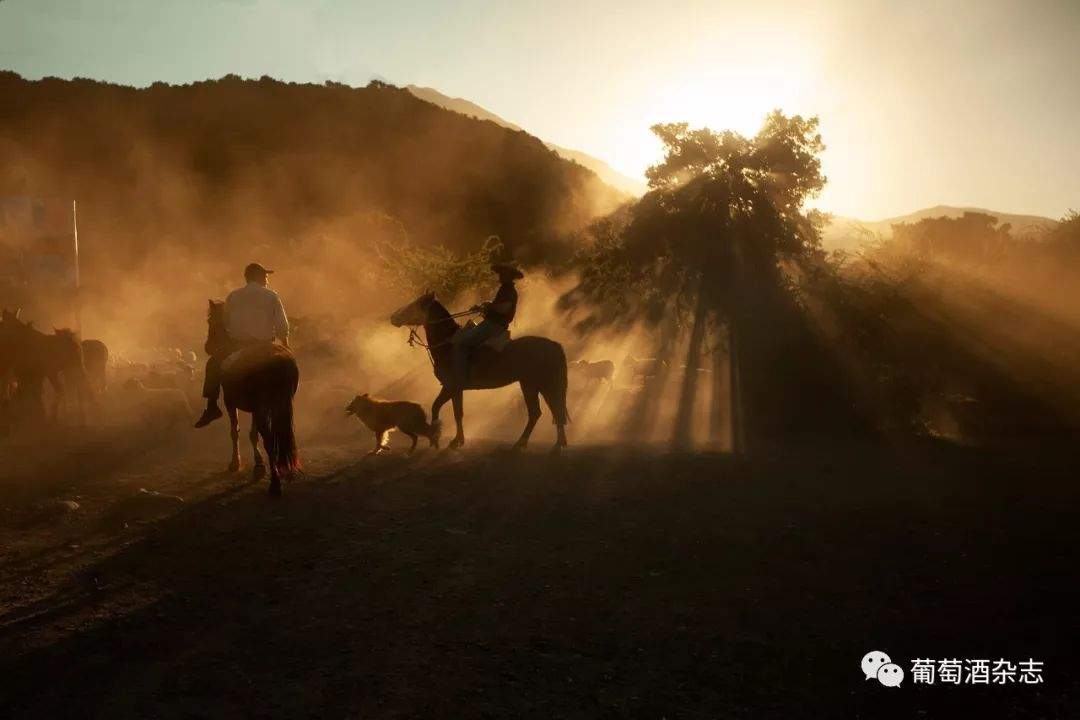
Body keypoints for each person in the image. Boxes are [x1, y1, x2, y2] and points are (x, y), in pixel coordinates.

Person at [194, 262, 289, 428]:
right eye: (265, 276)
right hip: (265, 345)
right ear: (259, 277)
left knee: (213, 364)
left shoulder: (233, 296)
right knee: (288, 366)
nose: (267, 279)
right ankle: (287, 398)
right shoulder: (272, 296)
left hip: (239, 345)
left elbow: (227, 323)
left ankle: (212, 406)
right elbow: (282, 325)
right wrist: (286, 344)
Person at [451, 263, 523, 389]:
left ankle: (461, 380)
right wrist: (483, 307)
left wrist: (488, 306)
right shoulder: (505, 289)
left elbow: (503, 308)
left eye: (502, 273)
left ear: (508, 276)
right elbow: (499, 306)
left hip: (493, 325)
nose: (499, 276)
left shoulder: (508, 290)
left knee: (462, 343)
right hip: (493, 324)